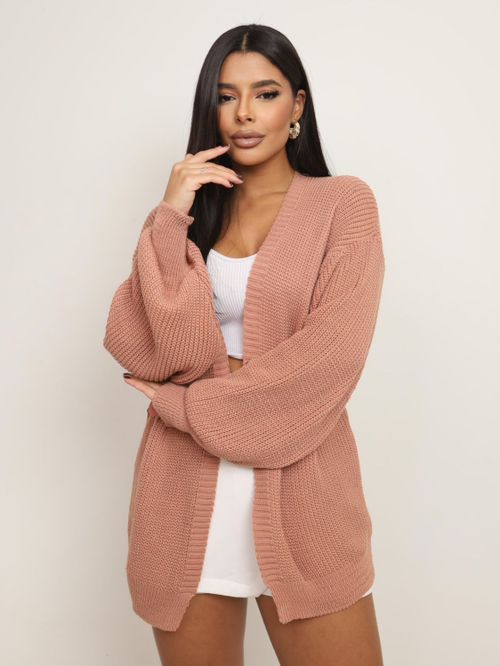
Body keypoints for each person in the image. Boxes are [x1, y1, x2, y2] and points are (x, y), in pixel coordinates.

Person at [104, 23, 385, 666]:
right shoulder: (188, 218)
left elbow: (327, 364)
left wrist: (185, 400)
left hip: (305, 498)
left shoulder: (344, 205)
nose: (244, 114)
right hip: (182, 502)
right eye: (226, 97)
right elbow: (139, 342)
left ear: (298, 105)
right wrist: (169, 214)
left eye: (265, 93)